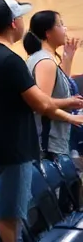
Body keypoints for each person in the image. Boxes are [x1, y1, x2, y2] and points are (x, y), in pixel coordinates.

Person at [0, 0, 83, 242]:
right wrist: (68, 104)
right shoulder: (11, 60)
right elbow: (41, 104)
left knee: (2, 208)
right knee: (10, 217)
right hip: (14, 149)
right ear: (13, 24)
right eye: (20, 18)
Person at [23, 10, 80, 159]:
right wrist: (69, 104)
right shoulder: (45, 62)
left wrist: (67, 59)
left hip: (53, 138)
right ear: (48, 33)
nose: (65, 29)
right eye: (60, 25)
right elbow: (42, 104)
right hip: (49, 142)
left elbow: (58, 89)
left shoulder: (43, 58)